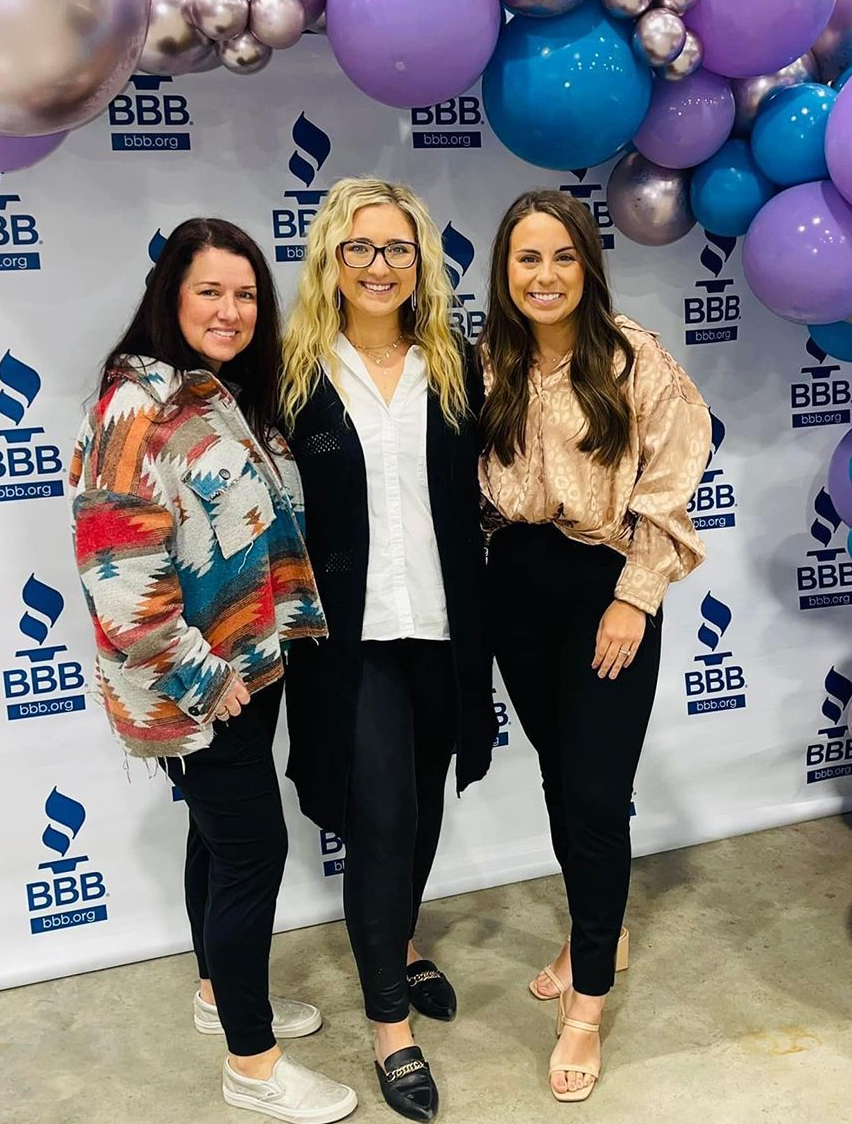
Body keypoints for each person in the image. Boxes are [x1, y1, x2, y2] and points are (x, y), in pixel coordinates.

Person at [69, 218, 357, 1124]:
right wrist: (201, 675)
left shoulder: (214, 395)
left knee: (215, 840)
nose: (231, 311)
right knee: (252, 855)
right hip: (196, 687)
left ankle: (214, 992)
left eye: (244, 295)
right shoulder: (135, 406)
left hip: (245, 668)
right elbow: (116, 571)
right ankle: (252, 1066)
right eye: (210, 292)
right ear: (171, 296)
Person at [478, 191, 711, 1104]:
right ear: (504, 271)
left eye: (562, 257)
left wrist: (636, 598)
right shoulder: (482, 364)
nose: (545, 277)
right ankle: (594, 927)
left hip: (605, 590)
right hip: (515, 592)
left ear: (588, 265)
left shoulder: (631, 355)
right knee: (554, 774)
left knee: (594, 791)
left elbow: (670, 479)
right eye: (527, 259)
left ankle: (588, 1000)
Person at [281, 178, 496, 1122]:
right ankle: (388, 1030)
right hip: (347, 637)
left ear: (421, 264)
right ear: (331, 258)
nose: (379, 266)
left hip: (444, 628)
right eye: (360, 248)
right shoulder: (291, 373)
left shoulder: (456, 368)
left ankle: (400, 940)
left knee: (419, 810)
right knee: (377, 816)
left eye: (397, 249)